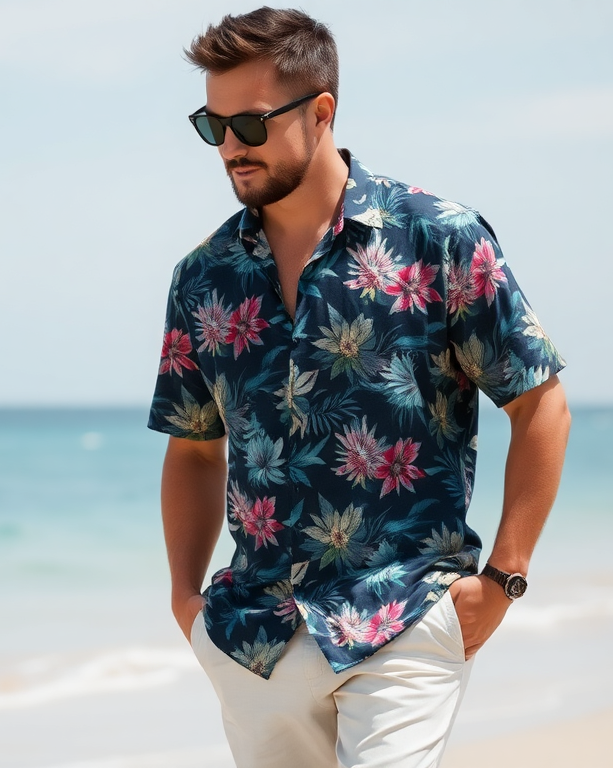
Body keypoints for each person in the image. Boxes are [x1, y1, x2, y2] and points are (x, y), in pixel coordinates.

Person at [146, 8, 571, 768]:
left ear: (321, 112)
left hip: (404, 621)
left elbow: (540, 404)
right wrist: (188, 604)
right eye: (215, 128)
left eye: (250, 123)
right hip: (256, 641)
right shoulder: (202, 276)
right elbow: (195, 451)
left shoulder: (439, 237)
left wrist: (503, 581)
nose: (232, 148)